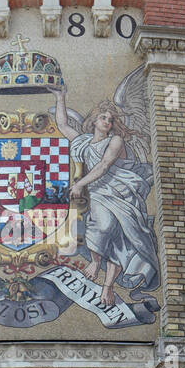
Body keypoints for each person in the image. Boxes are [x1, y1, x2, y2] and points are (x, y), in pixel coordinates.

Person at [51, 90, 159, 309]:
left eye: (110, 120)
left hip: (123, 191)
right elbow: (63, 125)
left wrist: (80, 184)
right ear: (94, 120)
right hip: (99, 191)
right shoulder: (83, 142)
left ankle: (108, 285)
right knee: (104, 226)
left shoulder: (116, 140)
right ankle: (96, 261)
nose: (107, 122)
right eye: (103, 117)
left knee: (122, 238)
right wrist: (60, 97)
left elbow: (104, 165)